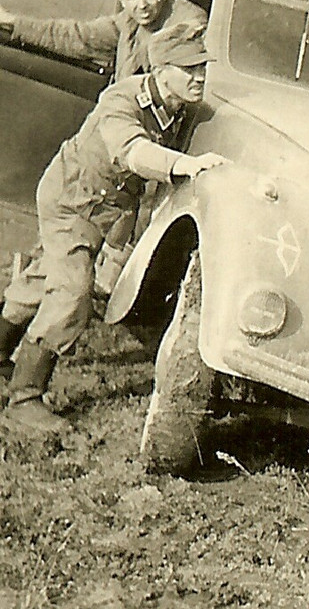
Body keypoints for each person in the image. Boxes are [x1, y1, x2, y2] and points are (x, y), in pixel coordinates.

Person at [0, 23, 229, 433]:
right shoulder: (122, 98)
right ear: (162, 70)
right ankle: (24, 399)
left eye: (202, 68)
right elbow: (133, 151)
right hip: (71, 200)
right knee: (71, 294)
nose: (199, 78)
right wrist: (184, 165)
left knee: (42, 280)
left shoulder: (180, 106)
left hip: (102, 212)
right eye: (189, 69)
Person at [0, 0, 206, 81]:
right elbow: (77, 36)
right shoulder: (127, 21)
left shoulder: (188, 20)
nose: (142, 5)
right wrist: (11, 22)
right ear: (122, 0)